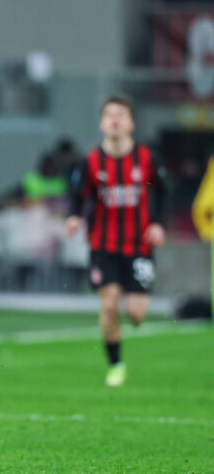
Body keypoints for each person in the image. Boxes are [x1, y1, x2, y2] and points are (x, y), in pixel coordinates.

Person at [66, 95, 167, 387]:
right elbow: (77, 195)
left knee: (136, 314)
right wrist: (74, 217)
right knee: (109, 306)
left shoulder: (147, 159)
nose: (114, 119)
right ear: (101, 122)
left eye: (121, 114)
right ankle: (116, 364)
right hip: (103, 246)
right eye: (109, 114)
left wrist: (158, 223)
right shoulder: (91, 161)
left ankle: (127, 318)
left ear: (131, 123)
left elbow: (163, 191)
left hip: (139, 247)